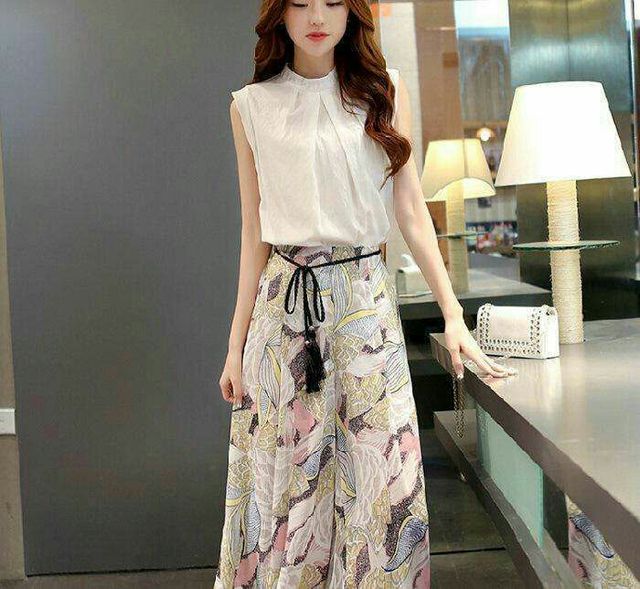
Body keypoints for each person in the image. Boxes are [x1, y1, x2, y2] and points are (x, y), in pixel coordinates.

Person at [215, 1, 515, 586]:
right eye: (302, 3)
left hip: (365, 304)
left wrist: (453, 314)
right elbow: (253, 234)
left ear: (352, 12)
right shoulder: (251, 106)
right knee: (292, 488)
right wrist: (234, 348)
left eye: (333, 2)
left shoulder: (384, 91)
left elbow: (411, 211)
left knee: (384, 482)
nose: (317, 16)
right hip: (286, 312)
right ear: (280, 13)